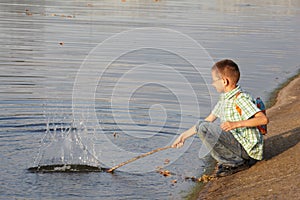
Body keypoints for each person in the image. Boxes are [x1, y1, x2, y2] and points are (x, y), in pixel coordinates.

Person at [172, 59, 269, 177]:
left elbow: (263, 119)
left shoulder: (241, 99)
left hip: (247, 150)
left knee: (204, 128)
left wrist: (235, 124)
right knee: (203, 126)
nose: (212, 84)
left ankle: (235, 162)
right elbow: (207, 121)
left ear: (224, 81)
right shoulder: (224, 99)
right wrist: (183, 136)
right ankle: (232, 160)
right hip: (239, 145)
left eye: (214, 80)